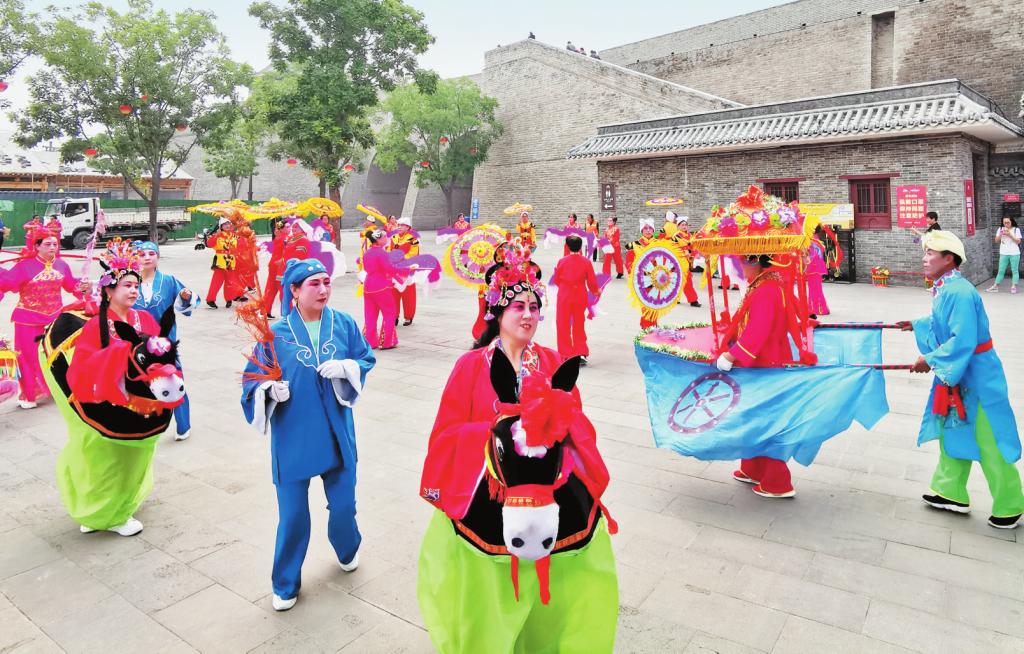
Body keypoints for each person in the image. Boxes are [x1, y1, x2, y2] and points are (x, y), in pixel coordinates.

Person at [416, 254, 618, 653]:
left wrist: (554, 426)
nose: (528, 315)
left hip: (549, 492)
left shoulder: (552, 362)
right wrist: (499, 433)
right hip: (489, 493)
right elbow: (446, 434)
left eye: (534, 307)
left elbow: (577, 421)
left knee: (563, 588)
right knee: (488, 599)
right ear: (497, 312)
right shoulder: (471, 366)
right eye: (518, 306)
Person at [241, 258, 377, 610]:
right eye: (314, 284)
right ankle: (285, 583)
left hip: (337, 433)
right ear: (295, 290)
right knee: (293, 517)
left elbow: (365, 358)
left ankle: (347, 547)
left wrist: (347, 367)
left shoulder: (343, 324)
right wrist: (268, 391)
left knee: (344, 506)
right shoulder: (275, 334)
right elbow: (251, 380)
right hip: (294, 437)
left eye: (326, 282)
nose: (323, 289)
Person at [899, 231, 1023, 529]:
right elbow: (942, 322)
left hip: (978, 376)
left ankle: (1010, 503)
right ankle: (950, 491)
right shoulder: (946, 287)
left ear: (948, 259)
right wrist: (916, 324)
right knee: (953, 429)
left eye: (930, 253)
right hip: (960, 372)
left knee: (988, 436)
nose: (924, 258)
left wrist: (930, 359)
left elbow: (963, 338)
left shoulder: (960, 292)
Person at [53, 240, 174, 536]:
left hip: (140, 403)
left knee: (131, 459)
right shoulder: (96, 325)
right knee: (101, 458)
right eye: (126, 286)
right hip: (106, 401)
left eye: (136, 285)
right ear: (109, 291)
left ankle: (120, 510)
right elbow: (81, 367)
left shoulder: (144, 319)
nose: (133, 290)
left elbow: (159, 356)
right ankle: (97, 510)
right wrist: (118, 355)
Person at [716, 254, 805, 498]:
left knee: (765, 419)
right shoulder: (765, 283)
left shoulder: (767, 288)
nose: (740, 267)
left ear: (755, 262)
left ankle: (778, 482)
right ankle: (753, 468)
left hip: (765, 360)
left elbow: (758, 329)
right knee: (753, 415)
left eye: (742, 262)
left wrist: (732, 355)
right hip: (762, 359)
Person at [0, 222, 88, 408]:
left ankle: (55, 388)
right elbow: (7, 282)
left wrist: (84, 286)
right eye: (47, 244)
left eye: (55, 244)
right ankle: (29, 395)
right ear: (37, 246)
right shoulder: (24, 266)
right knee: (27, 357)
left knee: (54, 355)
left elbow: (71, 285)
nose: (52, 247)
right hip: (28, 320)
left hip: (54, 319)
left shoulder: (61, 265)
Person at [132, 240, 199, 441]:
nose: (147, 257)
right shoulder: (129, 281)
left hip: (164, 342)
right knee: (139, 384)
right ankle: (141, 426)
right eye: (142, 254)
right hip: (138, 344)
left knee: (174, 380)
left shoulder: (168, 281)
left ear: (158, 257)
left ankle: (183, 425)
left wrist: (186, 296)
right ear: (135, 258)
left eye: (151, 254)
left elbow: (187, 302)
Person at [552, 235, 600, 364]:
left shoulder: (562, 261)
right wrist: (596, 291)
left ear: (567, 247)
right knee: (579, 323)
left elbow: (557, 280)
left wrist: (565, 286)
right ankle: (581, 352)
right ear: (580, 247)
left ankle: (565, 353)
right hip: (580, 294)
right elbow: (591, 281)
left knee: (563, 323)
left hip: (564, 295)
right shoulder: (586, 262)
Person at [361, 228, 401, 349]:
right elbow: (390, 269)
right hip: (381, 286)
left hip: (368, 286)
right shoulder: (381, 253)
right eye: (384, 237)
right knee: (389, 312)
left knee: (370, 315)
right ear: (378, 240)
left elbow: (367, 268)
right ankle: (386, 342)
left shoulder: (367, 253)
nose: (386, 239)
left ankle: (370, 342)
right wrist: (405, 269)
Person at [390, 217, 420, 325]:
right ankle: (394, 316)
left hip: (407, 270)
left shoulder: (413, 239)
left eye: (402, 225)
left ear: (408, 227)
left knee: (408, 294)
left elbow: (414, 254)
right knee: (393, 293)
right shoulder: (394, 237)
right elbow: (389, 251)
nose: (399, 227)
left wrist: (400, 258)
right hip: (395, 269)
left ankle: (408, 316)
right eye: (399, 225)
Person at [205, 218, 240, 308]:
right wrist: (216, 235)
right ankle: (210, 300)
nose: (227, 226)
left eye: (228, 224)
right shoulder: (218, 235)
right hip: (220, 262)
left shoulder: (234, 235)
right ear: (221, 226)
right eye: (225, 224)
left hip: (231, 261)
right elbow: (209, 244)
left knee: (230, 282)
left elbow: (240, 245)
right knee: (216, 282)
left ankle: (229, 299)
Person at [986, 216, 1021, 294]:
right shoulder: (1000, 229)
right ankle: (995, 286)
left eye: (1008, 222)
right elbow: (996, 240)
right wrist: (1001, 234)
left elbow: (1018, 241)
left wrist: (1010, 235)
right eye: (1004, 223)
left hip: (1014, 253)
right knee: (1001, 270)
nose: (1006, 224)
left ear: (1011, 222)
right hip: (1003, 253)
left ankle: (1013, 286)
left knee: (1014, 270)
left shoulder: (1016, 229)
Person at [806, 232, 830, 316]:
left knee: (814, 288)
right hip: (817, 267)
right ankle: (819, 308)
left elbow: (810, 256)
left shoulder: (810, 240)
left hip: (812, 267)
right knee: (817, 288)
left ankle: (817, 308)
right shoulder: (816, 239)